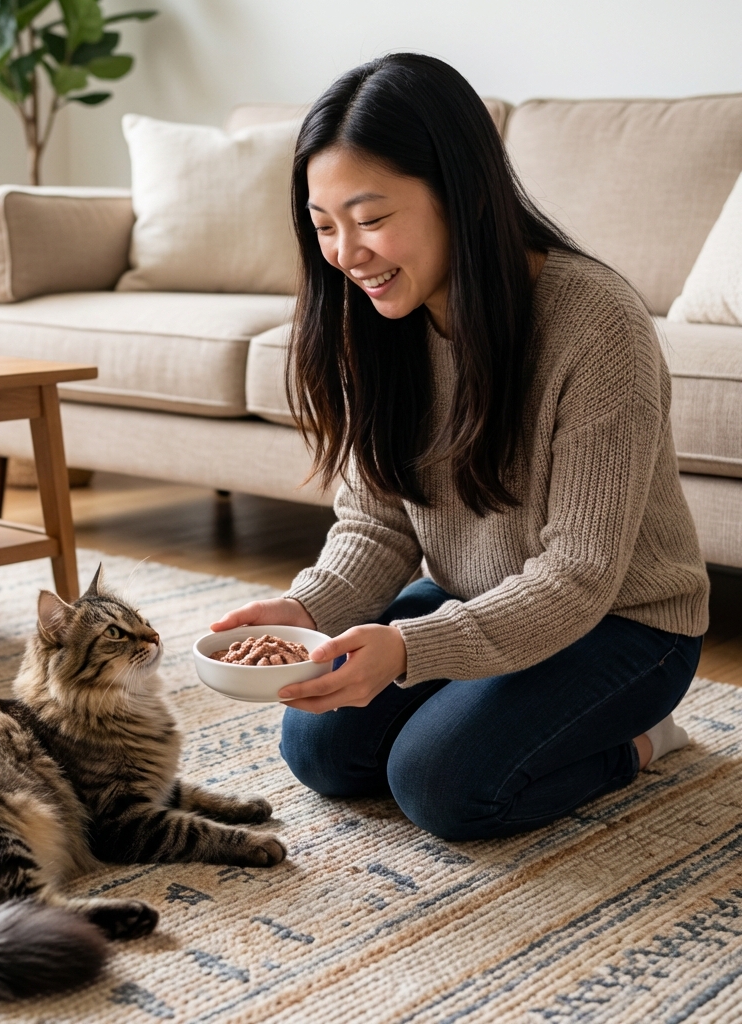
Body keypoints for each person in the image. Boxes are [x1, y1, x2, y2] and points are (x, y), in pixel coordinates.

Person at [210, 53, 709, 842]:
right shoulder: (372, 316)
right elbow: (378, 522)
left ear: (461, 193)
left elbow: (578, 576)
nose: (346, 254)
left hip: (625, 623)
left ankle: (646, 739)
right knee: (322, 751)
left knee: (442, 785)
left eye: (371, 220)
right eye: (324, 225)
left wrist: (408, 647)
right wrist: (307, 609)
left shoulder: (596, 323)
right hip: (476, 597)